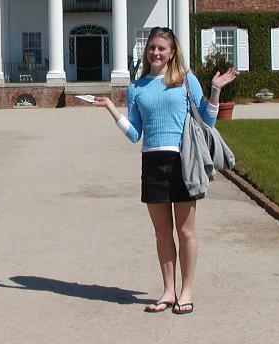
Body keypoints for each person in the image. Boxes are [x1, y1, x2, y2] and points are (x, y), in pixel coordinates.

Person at [94, 26, 237, 315]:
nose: (156, 53)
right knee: (162, 233)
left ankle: (187, 292)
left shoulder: (186, 80)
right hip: (152, 163)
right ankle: (168, 291)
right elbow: (135, 134)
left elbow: (208, 121)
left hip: (183, 161)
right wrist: (111, 108)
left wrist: (216, 90)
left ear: (172, 52)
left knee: (186, 231)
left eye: (161, 48)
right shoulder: (136, 88)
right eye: (152, 47)